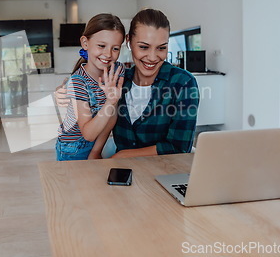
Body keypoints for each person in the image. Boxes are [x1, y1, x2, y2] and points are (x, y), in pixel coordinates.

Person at [56, 8, 199, 159]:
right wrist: (66, 88)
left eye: (161, 47)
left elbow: (179, 147)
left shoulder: (182, 83)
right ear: (129, 42)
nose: (152, 57)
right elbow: (104, 111)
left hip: (162, 168)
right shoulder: (120, 80)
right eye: (143, 47)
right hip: (110, 165)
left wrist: (121, 155)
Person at [56, 13, 126, 161]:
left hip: (97, 142)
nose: (108, 54)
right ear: (85, 43)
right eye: (101, 46)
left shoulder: (117, 70)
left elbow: (112, 116)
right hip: (73, 147)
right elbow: (88, 134)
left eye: (115, 48)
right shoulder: (78, 82)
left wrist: (96, 151)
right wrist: (110, 101)